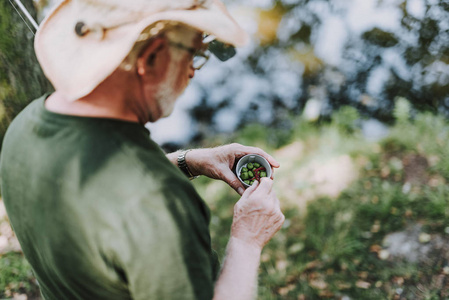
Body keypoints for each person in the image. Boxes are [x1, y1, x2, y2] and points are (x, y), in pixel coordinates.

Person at [0, 0, 285, 299]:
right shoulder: (161, 204)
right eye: (194, 54)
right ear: (150, 58)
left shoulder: (24, 128)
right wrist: (247, 239)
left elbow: (100, 196)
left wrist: (188, 161)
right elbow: (138, 201)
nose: (192, 72)